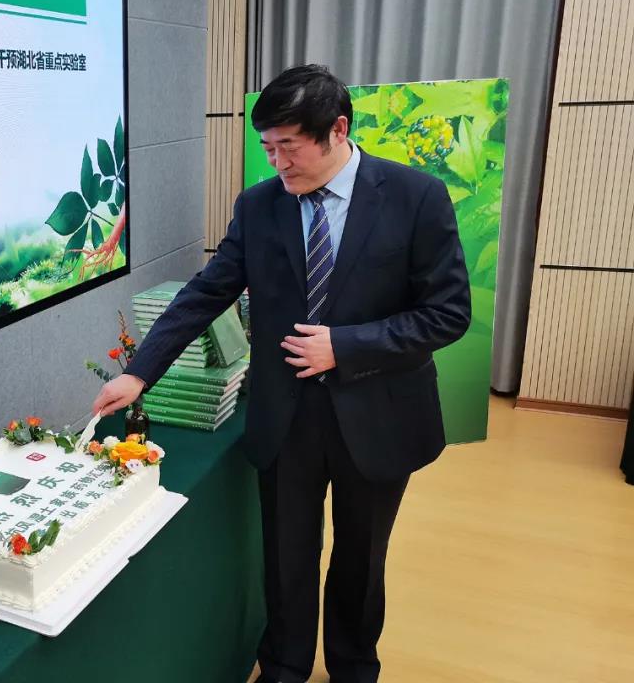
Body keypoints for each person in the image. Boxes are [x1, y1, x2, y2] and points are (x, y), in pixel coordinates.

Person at [92, 64, 471, 683]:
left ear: (337, 130)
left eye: (289, 146)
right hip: (288, 415)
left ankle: (353, 666)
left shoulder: (415, 196)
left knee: (361, 558)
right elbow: (207, 291)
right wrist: (140, 373)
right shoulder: (259, 205)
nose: (277, 163)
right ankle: (285, 666)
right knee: (287, 555)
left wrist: (344, 346)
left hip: (379, 413)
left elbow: (447, 313)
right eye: (268, 147)